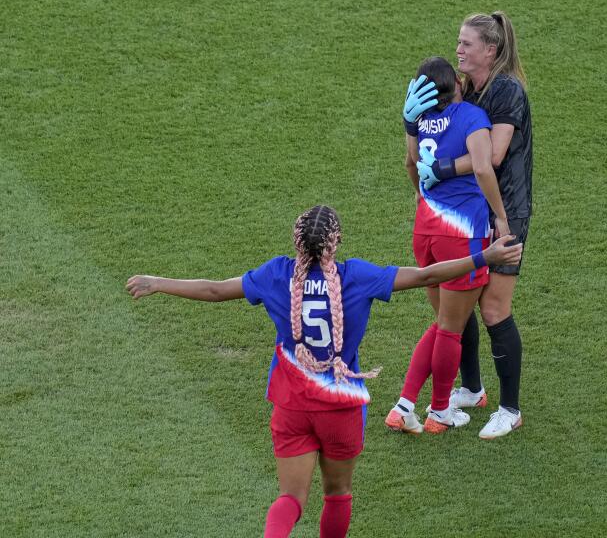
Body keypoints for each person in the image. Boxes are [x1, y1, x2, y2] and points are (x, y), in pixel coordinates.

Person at [126, 205, 521, 538]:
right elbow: (427, 275)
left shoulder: (276, 276)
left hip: (292, 405)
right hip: (342, 408)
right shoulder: (357, 278)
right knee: (337, 493)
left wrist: (158, 282)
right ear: (336, 243)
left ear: (296, 242)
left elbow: (214, 290)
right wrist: (484, 258)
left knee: (290, 500)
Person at [403, 11, 532, 440]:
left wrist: (438, 168)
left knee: (494, 308)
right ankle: (472, 389)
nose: (458, 49)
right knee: (464, 298)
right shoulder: (468, 91)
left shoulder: (507, 91)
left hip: (506, 210)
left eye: (466, 44)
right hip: (475, 214)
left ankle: (509, 409)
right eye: (458, 43)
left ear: (490, 50)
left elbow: (491, 157)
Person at [386, 57, 510, 435]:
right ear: (457, 82)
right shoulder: (471, 116)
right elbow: (484, 166)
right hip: (461, 234)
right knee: (449, 329)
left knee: (444, 323)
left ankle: (408, 406)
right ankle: (437, 411)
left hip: (425, 231)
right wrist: (501, 217)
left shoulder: (420, 123)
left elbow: (411, 164)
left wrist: (427, 200)